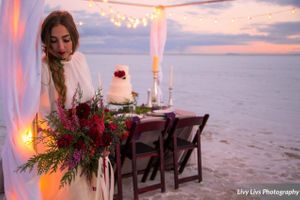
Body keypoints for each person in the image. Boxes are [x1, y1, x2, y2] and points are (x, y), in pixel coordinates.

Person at [38, 10, 96, 200]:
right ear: (46, 42)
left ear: (74, 37)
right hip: (62, 153)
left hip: (89, 148)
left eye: (66, 39)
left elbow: (90, 98)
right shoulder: (44, 68)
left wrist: (95, 133)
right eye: (53, 41)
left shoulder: (80, 59)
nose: (61, 47)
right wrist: (69, 141)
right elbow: (44, 116)